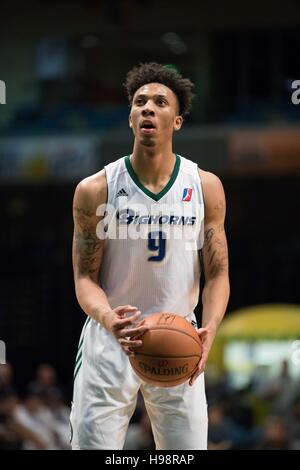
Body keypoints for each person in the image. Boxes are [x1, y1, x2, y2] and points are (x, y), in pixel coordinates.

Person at [70, 62, 230, 450]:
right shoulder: (96, 190)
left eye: (160, 102)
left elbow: (218, 272)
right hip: (111, 340)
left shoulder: (205, 187)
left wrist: (208, 332)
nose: (148, 108)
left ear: (176, 121)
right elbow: (84, 278)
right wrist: (109, 318)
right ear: (129, 117)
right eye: (140, 102)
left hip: (180, 337)